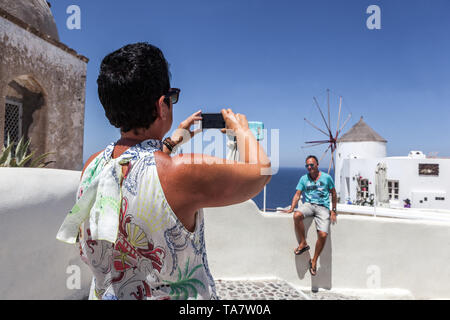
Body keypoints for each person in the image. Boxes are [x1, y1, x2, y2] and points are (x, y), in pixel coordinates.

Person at [56, 42, 271, 300]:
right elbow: (260, 172)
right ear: (162, 105)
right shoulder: (182, 172)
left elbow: (136, 170)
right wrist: (242, 130)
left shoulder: (92, 167)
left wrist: (172, 140)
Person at [283, 155, 337, 276]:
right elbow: (298, 194)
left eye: (311, 165)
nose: (309, 167)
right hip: (309, 205)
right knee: (297, 215)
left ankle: (314, 260)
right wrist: (292, 208)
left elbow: (333, 193)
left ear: (317, 164)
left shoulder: (327, 178)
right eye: (307, 165)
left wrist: (333, 210)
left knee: (323, 235)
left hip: (323, 207)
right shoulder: (304, 179)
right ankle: (303, 243)